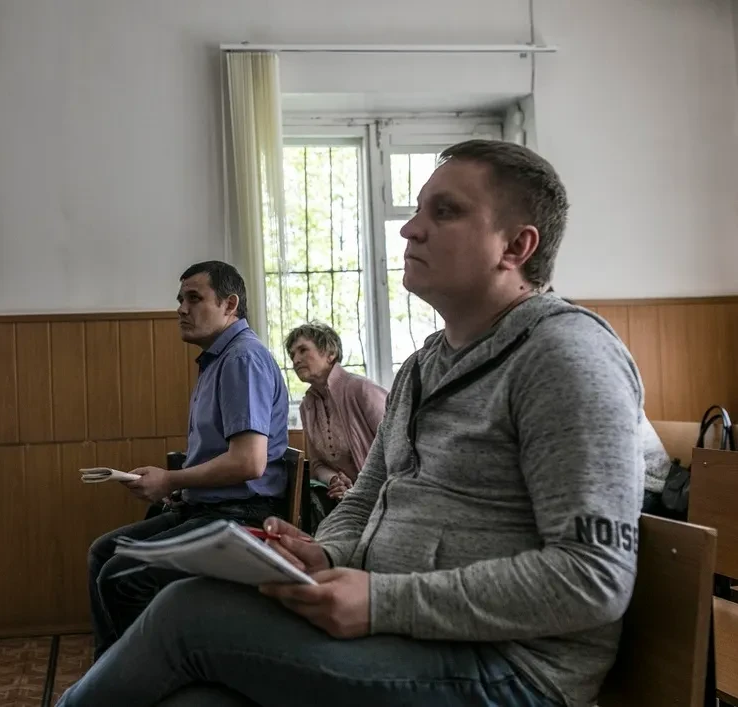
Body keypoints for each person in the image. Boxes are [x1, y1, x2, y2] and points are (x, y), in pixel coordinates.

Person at [58, 140, 647, 706]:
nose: (410, 229)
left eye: (445, 212)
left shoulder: (564, 356)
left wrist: (383, 601)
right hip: (414, 634)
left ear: (516, 245)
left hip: (511, 668)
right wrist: (326, 554)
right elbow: (367, 496)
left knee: (186, 613)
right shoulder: (422, 367)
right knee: (194, 698)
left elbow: (591, 578)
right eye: (416, 210)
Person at [86, 260, 290, 661]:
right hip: (212, 508)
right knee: (104, 553)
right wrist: (179, 488)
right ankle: (112, 673)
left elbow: (249, 463)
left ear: (230, 305)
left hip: (242, 517)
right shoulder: (219, 360)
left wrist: (171, 480)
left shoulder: (242, 359)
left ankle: (148, 678)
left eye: (194, 298)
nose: (181, 308)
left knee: (121, 574)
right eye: (180, 299)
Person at [286, 322, 387, 522]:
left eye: (303, 350)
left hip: (384, 495)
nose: (295, 360)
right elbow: (317, 464)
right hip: (347, 500)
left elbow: (399, 447)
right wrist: (334, 480)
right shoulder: (307, 406)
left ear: (330, 353)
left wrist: (364, 489)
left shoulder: (362, 389)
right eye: (292, 355)